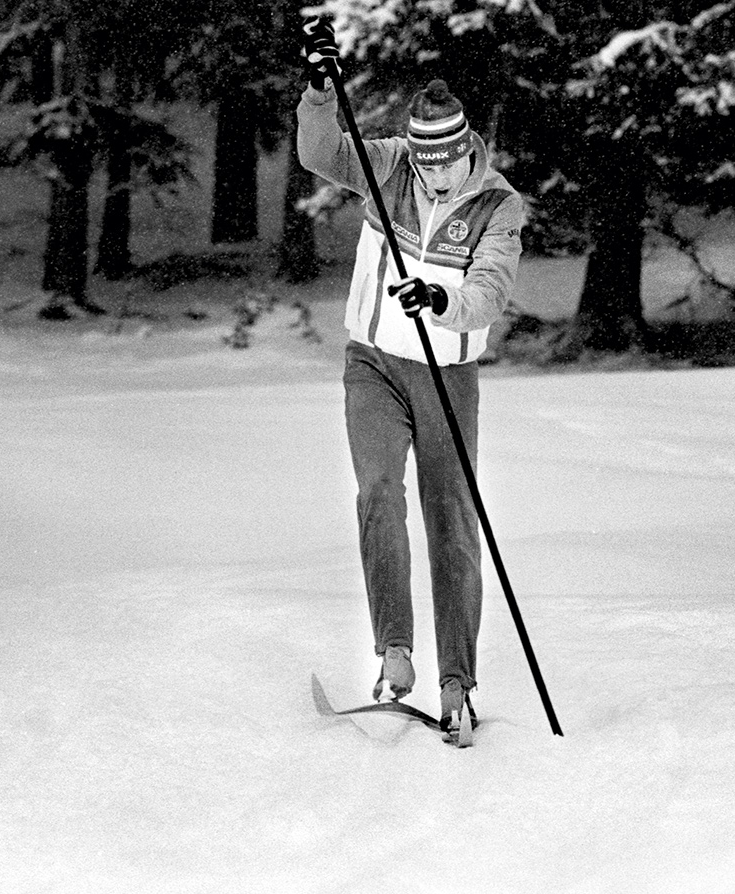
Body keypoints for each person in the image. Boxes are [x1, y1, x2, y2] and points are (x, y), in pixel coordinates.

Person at [298, 18, 524, 733]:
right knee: (377, 492)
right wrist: (317, 89)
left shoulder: (498, 205)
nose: (429, 176)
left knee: (451, 524)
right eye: (421, 164)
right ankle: (394, 650)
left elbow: (488, 290)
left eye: (441, 165)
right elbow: (321, 152)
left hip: (446, 376)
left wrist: (440, 299)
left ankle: (458, 683)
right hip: (372, 365)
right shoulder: (389, 165)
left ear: (465, 153)